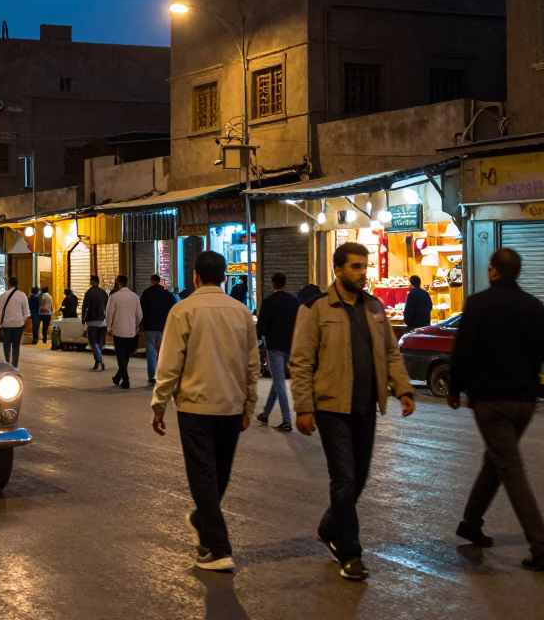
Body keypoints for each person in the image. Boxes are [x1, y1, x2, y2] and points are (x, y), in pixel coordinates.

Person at [290, 242, 415, 582]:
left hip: (365, 407)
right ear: (338, 270)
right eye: (356, 267)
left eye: (365, 266)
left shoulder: (373, 307)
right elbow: (301, 361)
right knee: (344, 479)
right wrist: (303, 407)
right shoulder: (315, 309)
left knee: (358, 479)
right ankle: (351, 553)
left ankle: (329, 527)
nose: (363, 272)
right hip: (331, 407)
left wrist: (403, 388)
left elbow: (391, 353)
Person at [448, 249, 544, 571]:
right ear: (518, 272)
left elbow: (463, 351)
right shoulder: (533, 306)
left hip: (490, 402)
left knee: (509, 469)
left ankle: (541, 547)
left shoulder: (477, 305)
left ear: (492, 271)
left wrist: (455, 388)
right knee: (497, 461)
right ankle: (471, 523)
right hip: (525, 402)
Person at [151, 251, 258, 571]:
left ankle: (215, 542)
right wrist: (249, 406)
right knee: (218, 474)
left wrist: (159, 405)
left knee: (204, 475)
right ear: (224, 277)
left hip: (195, 407)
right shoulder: (241, 313)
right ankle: (211, 534)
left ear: (195, 277)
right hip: (230, 405)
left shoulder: (182, 310)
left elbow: (169, 365)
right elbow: (252, 365)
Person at [256, 273, 300, 432]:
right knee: (277, 381)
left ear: (273, 284)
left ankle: (287, 420)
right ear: (285, 284)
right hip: (292, 346)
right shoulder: (295, 302)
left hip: (275, 347)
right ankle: (265, 414)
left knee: (279, 383)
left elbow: (261, 328)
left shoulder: (268, 303)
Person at [105, 275, 143, 389]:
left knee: (121, 356)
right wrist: (135, 325)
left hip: (118, 331)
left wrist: (108, 326)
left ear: (117, 282)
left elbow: (109, 313)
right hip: (131, 331)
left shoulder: (114, 297)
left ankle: (125, 380)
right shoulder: (135, 296)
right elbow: (140, 315)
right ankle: (118, 377)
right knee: (126, 356)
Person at [140, 274, 177, 388]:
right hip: (164, 327)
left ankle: (152, 377)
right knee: (163, 352)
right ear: (159, 281)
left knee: (151, 353)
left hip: (149, 327)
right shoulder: (168, 295)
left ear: (151, 281)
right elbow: (174, 310)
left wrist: (141, 325)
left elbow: (142, 310)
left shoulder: (146, 293)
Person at [0, 277, 29, 368]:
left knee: (6, 344)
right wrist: (25, 321)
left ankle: (7, 361)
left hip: (6, 324)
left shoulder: (4, 295)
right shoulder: (22, 295)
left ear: (9, 284)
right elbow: (26, 311)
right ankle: (15, 365)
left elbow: (0, 310)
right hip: (18, 323)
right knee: (16, 345)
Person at [82, 275, 109, 372]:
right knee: (100, 343)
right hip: (103, 321)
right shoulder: (104, 293)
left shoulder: (88, 293)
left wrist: (83, 320)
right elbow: (108, 307)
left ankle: (99, 361)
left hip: (92, 322)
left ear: (92, 281)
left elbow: (84, 307)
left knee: (93, 343)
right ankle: (97, 362)